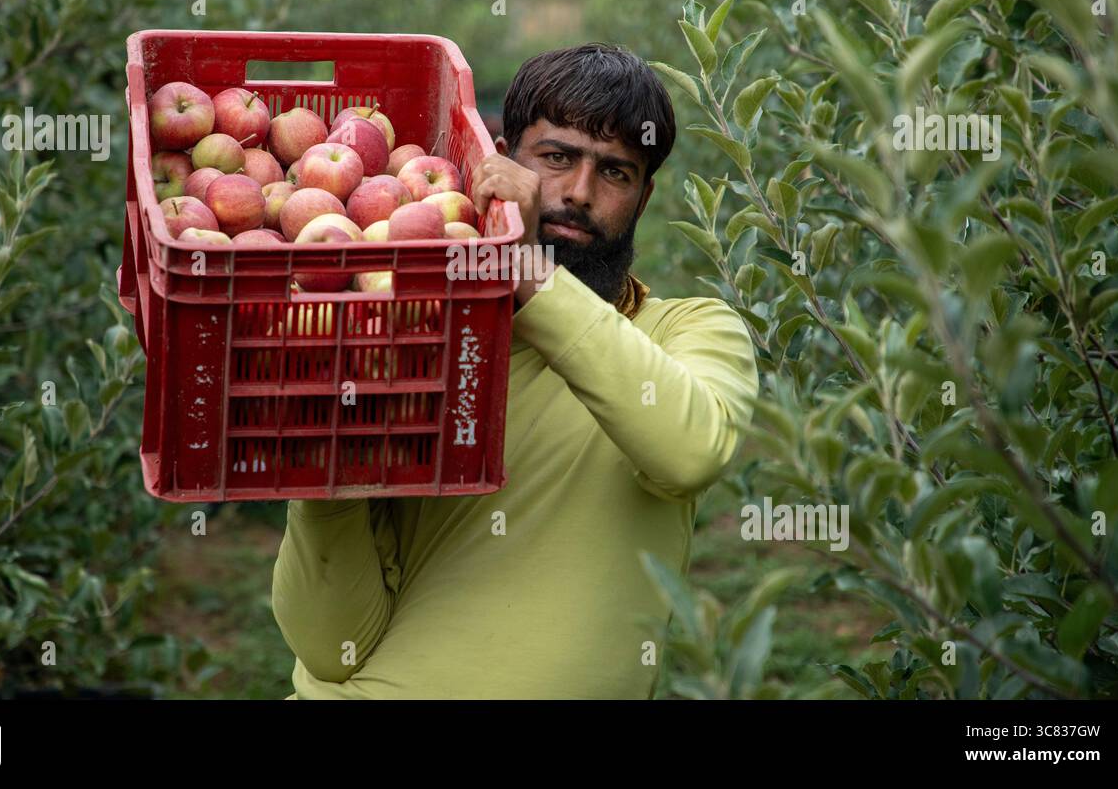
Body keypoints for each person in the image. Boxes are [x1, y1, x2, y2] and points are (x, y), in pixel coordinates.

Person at [271, 43, 760, 698]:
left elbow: (690, 452)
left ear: (642, 199)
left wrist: (529, 271)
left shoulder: (686, 332)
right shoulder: (410, 335)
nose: (578, 193)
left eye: (615, 172)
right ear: (496, 161)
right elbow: (332, 649)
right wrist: (326, 473)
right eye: (556, 158)